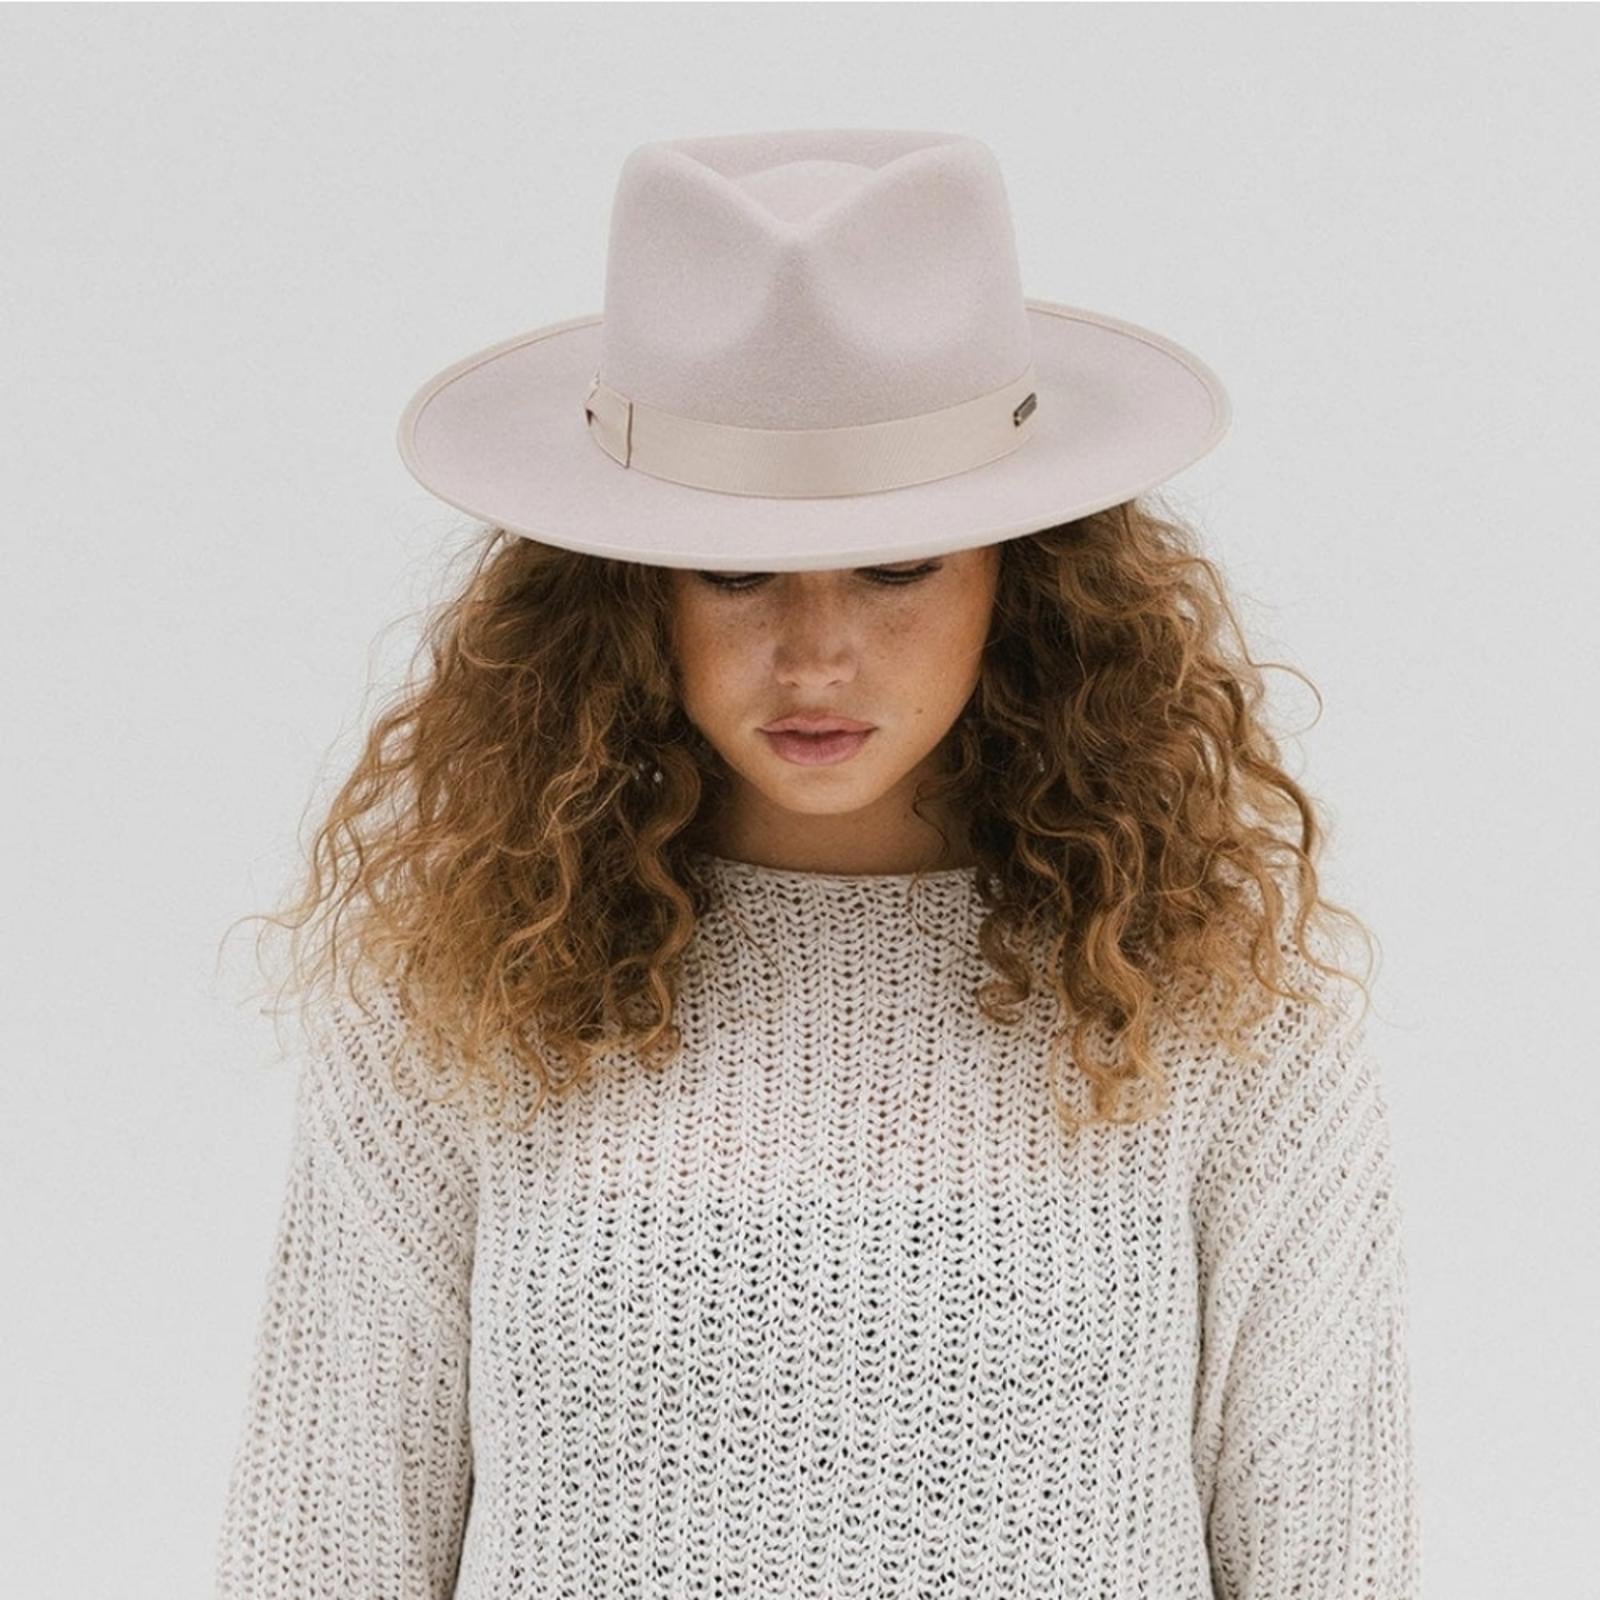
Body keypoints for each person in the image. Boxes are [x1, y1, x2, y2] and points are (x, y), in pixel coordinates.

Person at [213, 128, 1421, 1600]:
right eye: (733, 570)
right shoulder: (461, 1013)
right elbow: (320, 1555)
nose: (815, 653)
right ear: (624, 587)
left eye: (898, 566)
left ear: (1026, 571)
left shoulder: (1225, 1025)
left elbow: (1332, 1565)